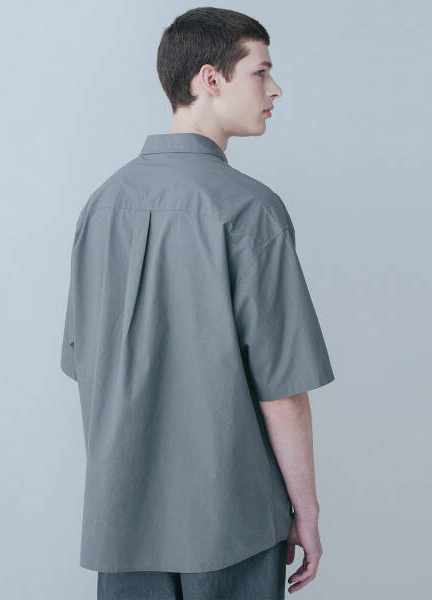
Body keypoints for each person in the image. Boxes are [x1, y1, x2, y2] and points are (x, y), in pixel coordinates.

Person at [60, 7, 335, 599]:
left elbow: (84, 363)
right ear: (210, 79)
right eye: (261, 72)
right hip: (233, 523)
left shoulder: (100, 207)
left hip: (123, 522)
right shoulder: (250, 210)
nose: (275, 89)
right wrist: (307, 510)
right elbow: (283, 390)